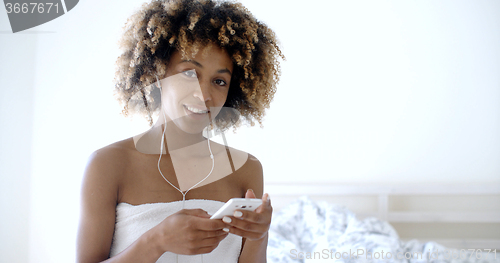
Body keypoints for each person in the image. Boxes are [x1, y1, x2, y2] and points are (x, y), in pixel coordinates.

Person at [76, 0, 284, 262]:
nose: (205, 94)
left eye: (219, 81)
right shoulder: (108, 165)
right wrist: (157, 240)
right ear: (157, 74)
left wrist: (259, 236)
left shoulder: (246, 169)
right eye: (189, 74)